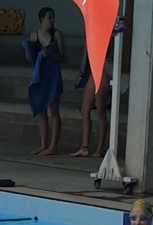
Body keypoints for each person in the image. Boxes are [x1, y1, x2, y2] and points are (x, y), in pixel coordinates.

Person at [24, 8, 67, 157]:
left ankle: (53, 145)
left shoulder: (57, 35)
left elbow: (62, 57)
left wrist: (49, 53)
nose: (52, 20)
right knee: (41, 110)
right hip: (40, 74)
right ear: (42, 19)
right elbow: (30, 58)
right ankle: (43, 144)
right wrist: (32, 53)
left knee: (54, 111)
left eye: (53, 17)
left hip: (53, 75)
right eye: (49, 17)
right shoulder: (34, 35)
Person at [70, 42, 111, 159]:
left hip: (103, 66)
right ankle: (85, 147)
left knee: (100, 110)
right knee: (85, 110)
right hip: (94, 67)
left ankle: (100, 148)